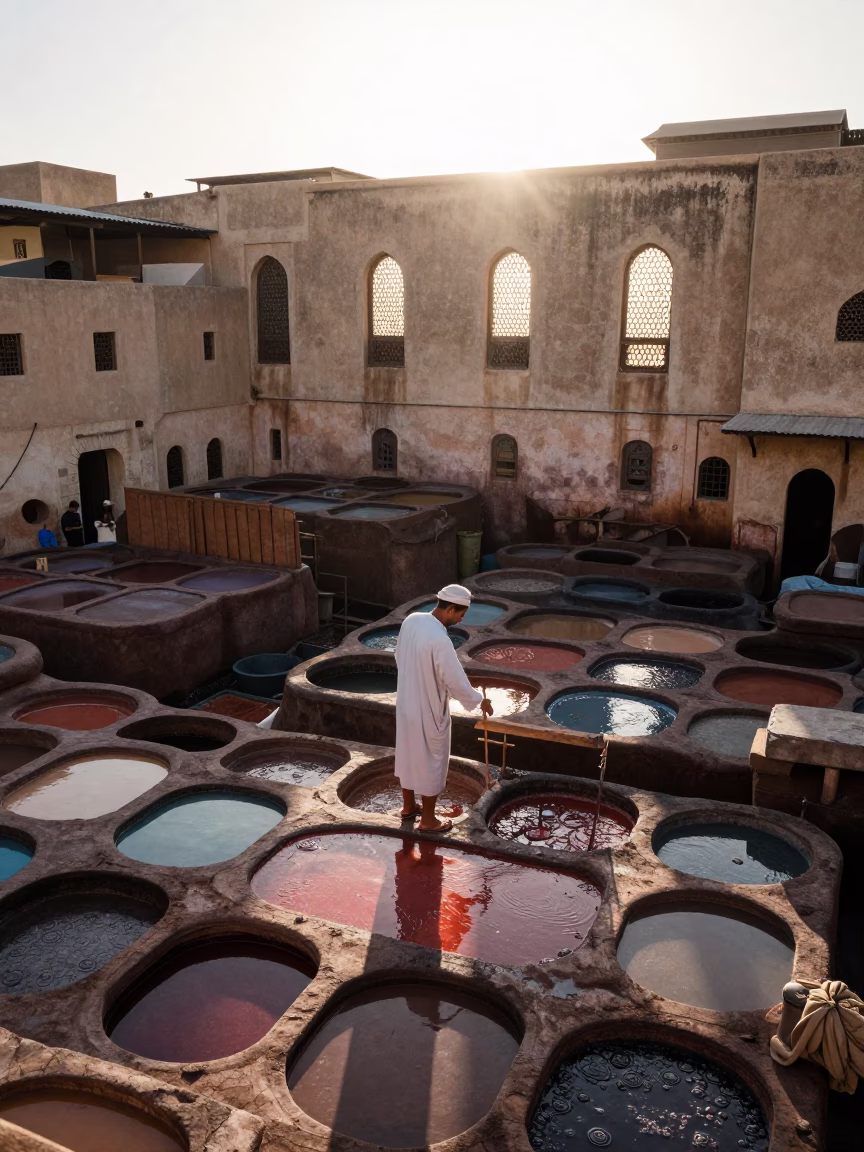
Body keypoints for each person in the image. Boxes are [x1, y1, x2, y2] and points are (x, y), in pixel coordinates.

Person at [394, 583, 494, 833]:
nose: (462, 619)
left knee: (407, 754)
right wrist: (479, 700)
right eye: (461, 613)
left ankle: (408, 807)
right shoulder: (440, 640)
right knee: (431, 761)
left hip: (406, 702)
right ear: (450, 609)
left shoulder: (412, 621)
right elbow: (454, 680)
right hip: (427, 708)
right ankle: (428, 820)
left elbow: (399, 655)